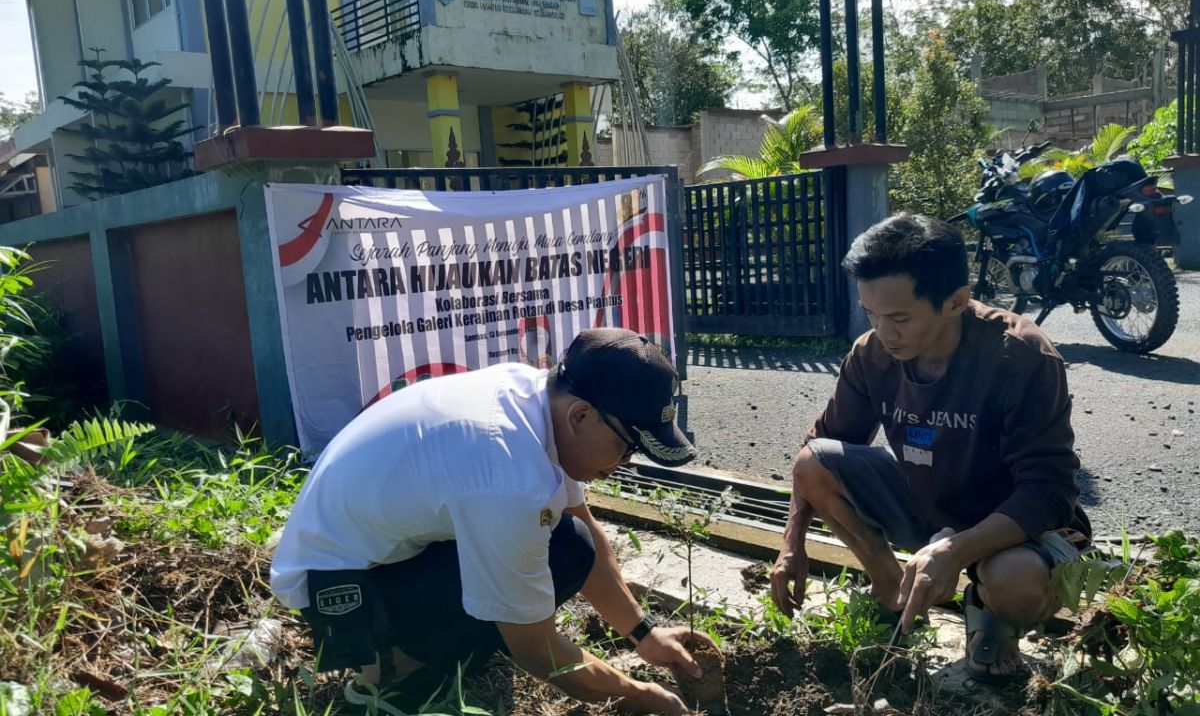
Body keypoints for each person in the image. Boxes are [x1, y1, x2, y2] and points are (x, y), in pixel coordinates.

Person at [271, 327, 714, 714]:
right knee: (522, 595)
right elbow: (538, 653)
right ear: (581, 415)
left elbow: (582, 525)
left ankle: (420, 640)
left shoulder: (535, 396)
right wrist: (639, 694)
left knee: (570, 543)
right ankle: (389, 670)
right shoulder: (507, 474)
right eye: (628, 446)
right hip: (338, 593)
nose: (624, 462)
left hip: (370, 550)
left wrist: (643, 633)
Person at [769, 214, 1091, 685]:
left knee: (1014, 583)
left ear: (956, 301)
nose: (883, 331)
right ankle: (890, 586)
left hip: (1012, 528)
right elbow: (816, 452)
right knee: (814, 463)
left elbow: (1049, 491)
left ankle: (989, 614)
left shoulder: (1019, 355)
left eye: (899, 318)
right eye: (871, 314)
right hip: (929, 506)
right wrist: (791, 542)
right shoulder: (872, 355)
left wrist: (956, 552)